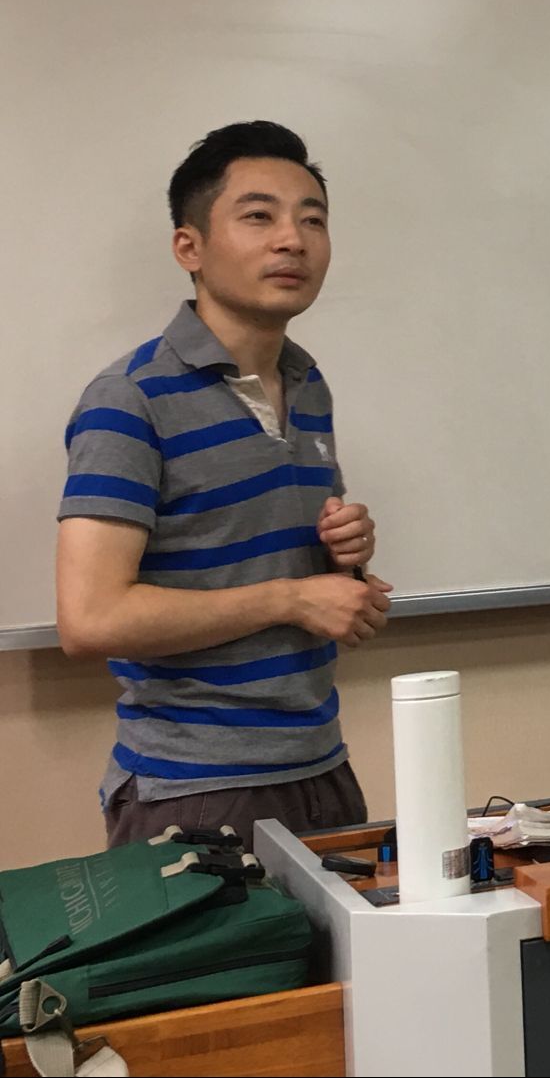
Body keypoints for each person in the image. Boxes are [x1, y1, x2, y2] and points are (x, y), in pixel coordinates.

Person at [57, 122, 392, 847]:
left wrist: (347, 566)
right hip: (197, 792)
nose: (292, 240)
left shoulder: (308, 383)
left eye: (312, 219)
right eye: (259, 216)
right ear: (190, 247)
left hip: (322, 769)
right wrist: (291, 598)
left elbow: (254, 558)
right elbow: (89, 617)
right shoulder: (130, 398)